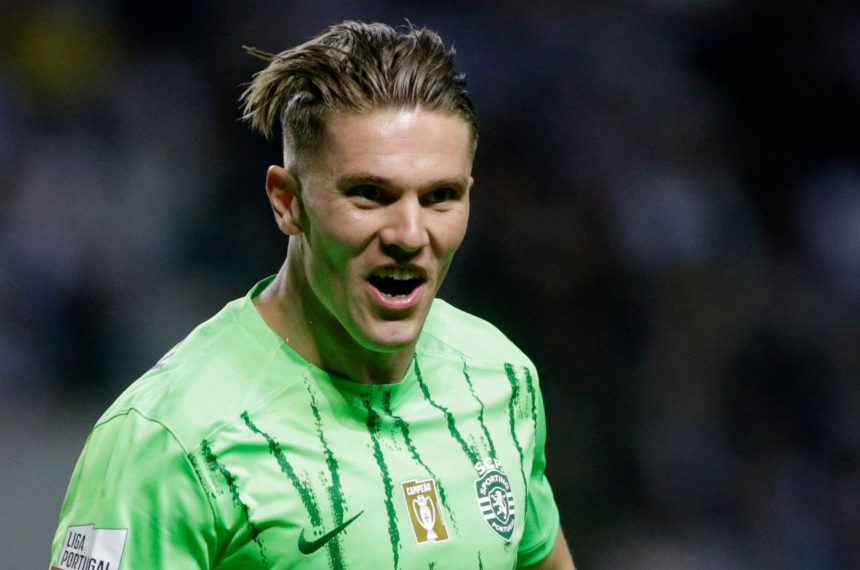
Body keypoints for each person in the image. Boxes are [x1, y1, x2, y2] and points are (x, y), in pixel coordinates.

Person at [49, 21, 575, 570]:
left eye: (440, 196)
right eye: (369, 194)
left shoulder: (499, 376)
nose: (409, 234)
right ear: (287, 201)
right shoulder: (171, 437)